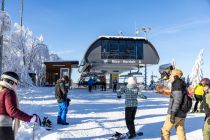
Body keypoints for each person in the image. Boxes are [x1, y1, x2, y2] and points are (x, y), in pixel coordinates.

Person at [0, 71, 38, 140]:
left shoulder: (1, 91)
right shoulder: (8, 92)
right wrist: (29, 118)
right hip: (3, 127)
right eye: (16, 83)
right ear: (11, 82)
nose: (16, 86)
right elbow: (12, 111)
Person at [161, 69, 188, 140]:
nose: (169, 77)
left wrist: (172, 113)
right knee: (180, 130)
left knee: (165, 130)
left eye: (171, 75)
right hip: (182, 112)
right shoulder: (181, 83)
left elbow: (177, 100)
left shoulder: (177, 84)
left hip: (176, 113)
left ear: (175, 76)